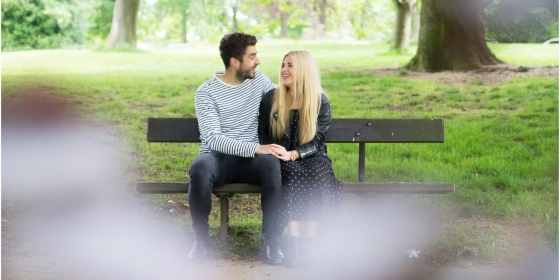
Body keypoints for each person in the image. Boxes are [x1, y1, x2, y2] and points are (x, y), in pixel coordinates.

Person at [188, 32, 284, 265]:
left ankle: (272, 241)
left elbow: (285, 98)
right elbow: (213, 139)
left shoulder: (258, 81)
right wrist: (256, 148)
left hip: (249, 163)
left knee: (271, 163)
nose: (258, 61)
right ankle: (200, 240)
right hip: (217, 159)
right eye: (252, 57)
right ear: (235, 62)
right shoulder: (206, 92)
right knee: (199, 167)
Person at [258, 50, 343, 267]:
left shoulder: (319, 100)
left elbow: (318, 140)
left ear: (304, 70)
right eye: (283, 65)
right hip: (281, 157)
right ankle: (294, 244)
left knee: (318, 171)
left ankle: (310, 243)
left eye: (290, 65)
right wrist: (278, 152)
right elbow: (264, 134)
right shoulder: (271, 98)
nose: (284, 70)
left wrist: (295, 153)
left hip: (311, 155)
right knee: (293, 173)